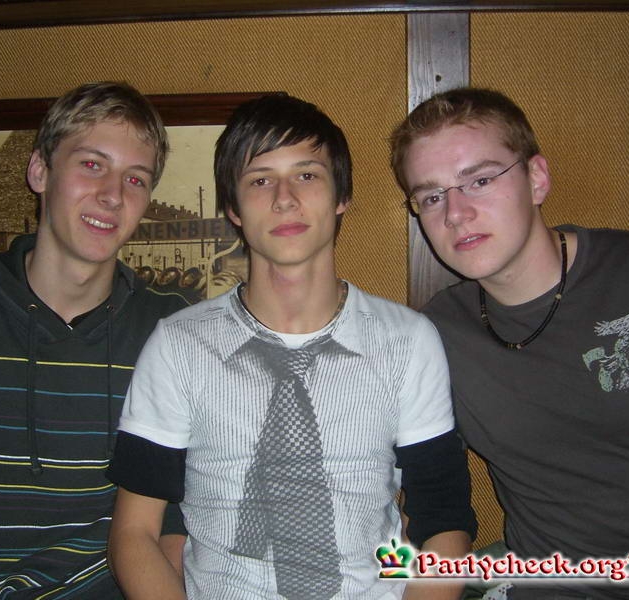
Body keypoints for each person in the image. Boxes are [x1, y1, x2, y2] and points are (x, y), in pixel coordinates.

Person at [107, 94, 477, 599]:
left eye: (307, 175)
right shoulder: (179, 345)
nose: (285, 199)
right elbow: (135, 534)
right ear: (233, 208)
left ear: (341, 195)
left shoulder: (408, 341)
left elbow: (443, 521)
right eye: (260, 180)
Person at [389, 87, 629, 600]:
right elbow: (428, 493)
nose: (455, 213)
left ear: (536, 178)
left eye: (480, 180)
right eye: (431, 196)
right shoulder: (436, 333)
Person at [0, 81, 189, 598]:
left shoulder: (171, 329)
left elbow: (177, 514)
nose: (113, 194)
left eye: (135, 178)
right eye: (92, 164)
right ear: (39, 170)